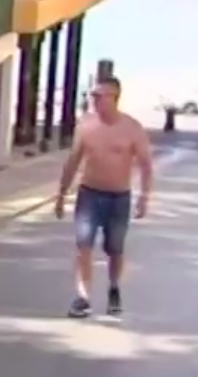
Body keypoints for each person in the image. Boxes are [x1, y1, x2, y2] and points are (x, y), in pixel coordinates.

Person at [55, 75, 153, 318]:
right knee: (83, 245)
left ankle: (114, 288)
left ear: (114, 98)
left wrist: (144, 197)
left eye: (99, 96)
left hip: (119, 197)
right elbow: (73, 161)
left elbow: (145, 164)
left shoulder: (131, 128)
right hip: (89, 194)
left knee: (115, 249)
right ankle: (83, 297)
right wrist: (61, 193)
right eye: (92, 96)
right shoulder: (86, 125)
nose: (94, 101)